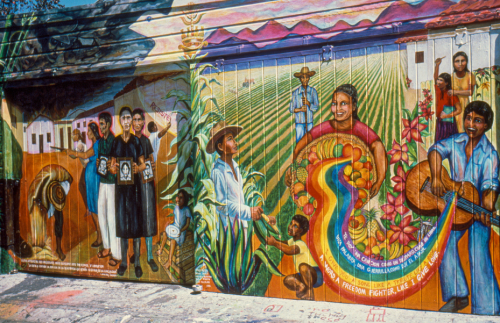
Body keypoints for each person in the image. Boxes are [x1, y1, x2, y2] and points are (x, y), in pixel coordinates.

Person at [428, 101, 500, 314]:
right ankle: (457, 295)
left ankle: (488, 308)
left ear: (486, 125)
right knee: (444, 241)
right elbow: (435, 151)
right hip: (455, 207)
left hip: (477, 209)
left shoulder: (490, 154)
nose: (470, 124)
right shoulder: (456, 141)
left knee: (478, 251)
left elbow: (490, 186)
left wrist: (487, 207)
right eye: (468, 118)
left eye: (477, 120)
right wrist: (436, 176)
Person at [285, 84, 387, 198]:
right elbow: (304, 142)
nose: (338, 109)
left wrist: (379, 180)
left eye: (343, 103)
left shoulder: (359, 129)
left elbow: (378, 146)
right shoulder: (327, 127)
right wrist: (292, 167)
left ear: (353, 106)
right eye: (334, 104)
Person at [207, 121, 276, 230]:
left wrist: (262, 216)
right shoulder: (218, 172)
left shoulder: (235, 167)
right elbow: (220, 205)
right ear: (220, 146)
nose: (235, 142)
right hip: (227, 230)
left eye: (233, 138)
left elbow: (239, 200)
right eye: (230, 139)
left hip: (240, 228)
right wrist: (248, 212)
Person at [110, 107, 147, 278]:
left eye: (129, 118)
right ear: (120, 121)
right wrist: (113, 168)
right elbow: (111, 166)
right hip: (121, 191)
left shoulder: (136, 142)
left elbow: (143, 165)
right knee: (123, 226)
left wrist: (136, 168)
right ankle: (124, 263)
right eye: (123, 118)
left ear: (132, 121)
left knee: (135, 226)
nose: (126, 121)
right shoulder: (116, 142)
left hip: (135, 190)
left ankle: (137, 262)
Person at [266, 214, 323, 300]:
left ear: (300, 231)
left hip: (315, 274)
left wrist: (274, 243)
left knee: (303, 267)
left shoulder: (300, 244)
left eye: (295, 226)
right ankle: (301, 287)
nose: (290, 227)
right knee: (288, 280)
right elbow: (282, 243)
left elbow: (289, 250)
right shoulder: (292, 241)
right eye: (291, 224)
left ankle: (309, 293)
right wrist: (272, 235)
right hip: (303, 275)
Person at [67, 122, 102, 248]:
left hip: (94, 179)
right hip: (91, 178)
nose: (86, 133)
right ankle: (100, 235)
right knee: (93, 209)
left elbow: (86, 155)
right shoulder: (94, 144)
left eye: (88, 131)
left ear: (93, 132)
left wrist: (73, 152)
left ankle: (100, 237)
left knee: (95, 209)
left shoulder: (97, 144)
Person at [132, 109, 159, 272]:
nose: (136, 122)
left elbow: (151, 161)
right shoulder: (127, 142)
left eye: (139, 120)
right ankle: (136, 259)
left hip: (146, 185)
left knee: (148, 219)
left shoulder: (147, 141)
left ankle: (149, 256)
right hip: (132, 186)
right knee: (135, 221)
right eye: (134, 120)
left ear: (143, 122)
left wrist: (150, 168)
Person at [96, 112, 121, 267]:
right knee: (102, 214)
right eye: (100, 124)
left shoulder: (114, 140)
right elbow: (101, 161)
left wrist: (113, 165)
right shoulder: (100, 142)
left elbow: (115, 163)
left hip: (112, 183)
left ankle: (117, 254)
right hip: (102, 182)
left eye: (103, 124)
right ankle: (106, 247)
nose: (101, 126)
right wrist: (100, 163)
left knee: (112, 218)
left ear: (108, 124)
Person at [156, 189, 191, 270]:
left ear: (185, 199)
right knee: (165, 233)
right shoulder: (176, 208)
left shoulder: (186, 210)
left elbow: (187, 224)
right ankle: (160, 250)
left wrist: (181, 230)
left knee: (173, 241)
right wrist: (169, 223)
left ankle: (170, 261)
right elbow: (175, 220)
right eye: (177, 197)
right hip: (175, 228)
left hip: (181, 232)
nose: (178, 199)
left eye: (181, 197)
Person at [433, 58, 462, 142]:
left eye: (441, 80)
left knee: (449, 144)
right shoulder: (438, 89)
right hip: (440, 121)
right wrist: (437, 65)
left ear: (446, 83)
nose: (438, 82)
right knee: (439, 145)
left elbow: (459, 110)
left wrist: (447, 116)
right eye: (438, 80)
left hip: (449, 123)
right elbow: (435, 77)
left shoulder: (451, 94)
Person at [289, 67, 319, 142]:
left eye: (306, 77)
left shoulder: (313, 91)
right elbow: (291, 109)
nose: (304, 80)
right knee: (300, 143)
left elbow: (315, 107)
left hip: (309, 123)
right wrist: (300, 109)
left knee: (310, 142)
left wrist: (308, 103)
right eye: (302, 77)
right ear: (300, 79)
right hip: (299, 123)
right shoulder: (296, 93)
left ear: (309, 78)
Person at [451, 52, 476, 133]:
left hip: (465, 105)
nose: (460, 64)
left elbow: (470, 92)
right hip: (454, 105)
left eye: (463, 61)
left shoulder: (469, 75)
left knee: (465, 128)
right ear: (453, 63)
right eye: (457, 61)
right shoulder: (452, 76)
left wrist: (455, 92)